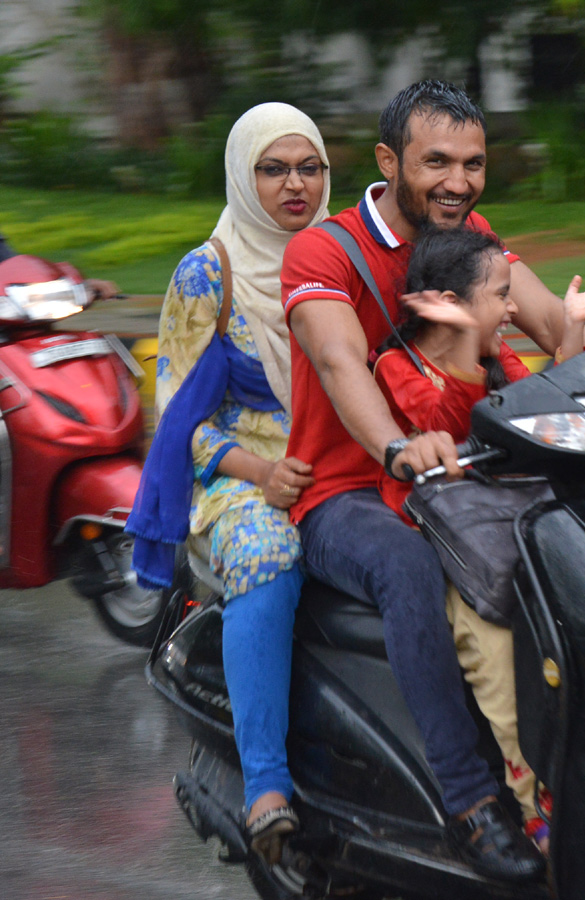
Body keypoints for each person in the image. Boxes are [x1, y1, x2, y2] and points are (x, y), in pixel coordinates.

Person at [277, 80, 585, 882]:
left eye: (473, 163)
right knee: (407, 566)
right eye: (436, 162)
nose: (457, 182)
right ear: (389, 161)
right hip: (350, 492)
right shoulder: (323, 250)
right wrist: (396, 446)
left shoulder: (472, 234)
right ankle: (470, 801)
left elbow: (556, 325)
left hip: (470, 483)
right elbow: (336, 359)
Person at [373, 227, 585, 853]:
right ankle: (536, 803)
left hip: (508, 522)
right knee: (496, 657)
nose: (513, 309)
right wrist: (466, 343)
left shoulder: (494, 355)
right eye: (499, 296)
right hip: (452, 545)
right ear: (451, 305)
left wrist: (571, 330)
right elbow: (438, 427)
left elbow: (537, 408)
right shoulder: (395, 366)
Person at [126, 102, 328, 865]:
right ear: (244, 178)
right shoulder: (209, 271)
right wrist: (262, 473)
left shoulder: (338, 257)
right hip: (239, 476)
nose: (294, 185)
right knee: (269, 556)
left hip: (333, 461)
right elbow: (179, 417)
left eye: (308, 167)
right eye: (273, 170)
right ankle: (266, 789)